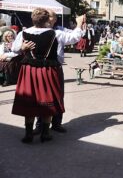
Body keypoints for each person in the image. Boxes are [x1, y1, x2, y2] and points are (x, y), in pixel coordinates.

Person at [11, 8, 85, 143]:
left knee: (30, 101)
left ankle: (28, 134)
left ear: (32, 19)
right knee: (47, 101)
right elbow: (74, 38)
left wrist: (22, 48)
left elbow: (14, 49)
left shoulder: (23, 33)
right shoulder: (55, 33)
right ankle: (45, 134)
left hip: (29, 71)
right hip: (48, 71)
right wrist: (79, 24)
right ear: (47, 20)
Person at [33, 9, 85, 134]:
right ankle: (40, 125)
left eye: (50, 16)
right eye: (46, 16)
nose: (48, 18)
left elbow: (75, 36)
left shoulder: (59, 30)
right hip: (40, 67)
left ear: (54, 19)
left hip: (55, 67)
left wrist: (81, 25)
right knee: (40, 96)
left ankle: (56, 123)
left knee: (58, 95)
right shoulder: (35, 30)